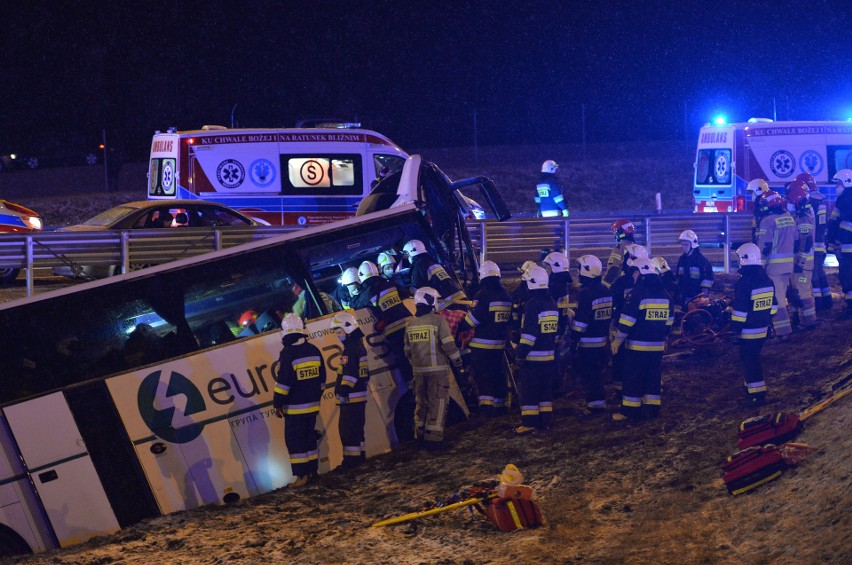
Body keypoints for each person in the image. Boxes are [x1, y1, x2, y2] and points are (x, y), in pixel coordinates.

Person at [610, 258, 673, 421]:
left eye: (634, 272)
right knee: (652, 378)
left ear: (641, 273)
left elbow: (626, 321)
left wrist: (617, 340)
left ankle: (629, 411)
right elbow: (669, 321)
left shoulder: (637, 294)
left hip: (637, 347)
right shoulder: (665, 295)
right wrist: (664, 337)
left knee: (633, 378)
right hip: (657, 346)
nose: (633, 276)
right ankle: (651, 409)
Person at [404, 287, 464, 446]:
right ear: (430, 301)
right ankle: (434, 439)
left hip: (418, 372)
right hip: (437, 372)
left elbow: (407, 351)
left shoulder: (411, 323)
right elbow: (449, 346)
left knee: (421, 404)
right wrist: (458, 362)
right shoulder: (438, 321)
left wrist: (417, 365)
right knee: (438, 403)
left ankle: (420, 436)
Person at [273, 313, 325, 487]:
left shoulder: (288, 354)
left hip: (295, 409)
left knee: (295, 442)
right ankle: (312, 471)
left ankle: (301, 477)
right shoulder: (314, 350)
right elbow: (322, 380)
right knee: (309, 439)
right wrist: (316, 397)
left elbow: (284, 384)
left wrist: (277, 403)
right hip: (312, 407)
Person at [460, 261, 512, 416]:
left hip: (481, 346)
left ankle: (486, 408)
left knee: (483, 376)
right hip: (499, 345)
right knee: (498, 374)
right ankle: (500, 405)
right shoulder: (506, 295)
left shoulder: (482, 294)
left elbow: (474, 320)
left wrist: (462, 323)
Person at [730, 243, 778, 406]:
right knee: (753, 360)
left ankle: (756, 396)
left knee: (750, 362)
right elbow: (774, 306)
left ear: (744, 259)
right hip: (763, 329)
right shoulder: (767, 280)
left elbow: (740, 312)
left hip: (748, 331)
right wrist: (765, 319)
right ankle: (751, 391)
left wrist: (735, 330)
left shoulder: (744, 283)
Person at [514, 266, 559, 434]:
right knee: (545, 392)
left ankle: (530, 423)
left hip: (533, 359)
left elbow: (529, 334)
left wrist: (520, 354)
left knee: (530, 393)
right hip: (548, 357)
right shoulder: (551, 302)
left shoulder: (533, 304)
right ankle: (545, 421)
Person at [570, 255, 611, 413]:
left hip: (588, 343)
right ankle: (598, 402)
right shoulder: (605, 290)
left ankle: (595, 405)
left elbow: (581, 321)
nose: (578, 273)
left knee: (589, 375)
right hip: (602, 341)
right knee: (597, 375)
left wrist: (574, 340)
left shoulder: (586, 293)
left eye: (579, 269)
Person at [329, 311, 370, 469]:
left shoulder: (351, 349)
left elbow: (350, 373)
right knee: (357, 430)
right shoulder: (358, 346)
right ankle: (359, 458)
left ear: (348, 329)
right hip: (359, 397)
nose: (338, 336)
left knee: (348, 431)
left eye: (339, 332)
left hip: (351, 398)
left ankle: (351, 462)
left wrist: (343, 390)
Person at [755, 190, 797, 336]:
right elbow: (796, 241)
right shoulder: (789, 218)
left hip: (774, 268)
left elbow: (764, 246)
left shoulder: (767, 221)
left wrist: (758, 267)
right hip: (788, 266)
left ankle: (783, 331)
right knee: (782, 296)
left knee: (777, 300)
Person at [609, 244, 647, 396]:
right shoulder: (652, 282)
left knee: (619, 358)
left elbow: (613, 303)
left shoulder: (622, 281)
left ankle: (621, 391)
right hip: (643, 330)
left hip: (622, 326)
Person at [784, 178, 818, 329]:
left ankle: (809, 322)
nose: (787, 202)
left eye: (789, 199)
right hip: (796, 261)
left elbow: (806, 242)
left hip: (802, 263)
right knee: (794, 291)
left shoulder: (804, 217)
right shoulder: (799, 214)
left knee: (803, 292)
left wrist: (800, 262)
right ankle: (797, 319)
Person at [403, 239, 469, 308]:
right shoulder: (432, 261)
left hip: (447, 303)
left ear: (411, 252)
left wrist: (406, 291)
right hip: (461, 299)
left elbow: (418, 289)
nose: (407, 257)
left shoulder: (419, 265)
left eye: (406, 254)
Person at [827, 168, 852, 318]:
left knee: (847, 278)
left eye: (838, 184)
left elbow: (835, 224)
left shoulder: (845, 202)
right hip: (847, 247)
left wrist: (832, 241)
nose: (836, 187)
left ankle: (850, 309)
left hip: (847, 248)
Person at [807, 175, 831, 310]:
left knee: (814, 274)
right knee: (820, 271)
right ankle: (827, 299)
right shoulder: (820, 199)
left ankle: (818, 303)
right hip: (821, 242)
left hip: (814, 244)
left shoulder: (811, 202)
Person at [675, 229, 714, 308]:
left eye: (685, 245)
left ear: (693, 245)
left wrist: (703, 296)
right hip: (684, 297)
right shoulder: (682, 259)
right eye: (682, 244)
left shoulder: (702, 261)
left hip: (697, 298)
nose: (683, 247)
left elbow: (707, 280)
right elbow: (679, 278)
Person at [602, 219, 637, 288]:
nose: (615, 234)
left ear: (620, 232)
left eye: (616, 232)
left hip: (622, 286)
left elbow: (613, 269)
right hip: (637, 286)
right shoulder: (638, 248)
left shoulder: (619, 248)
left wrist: (604, 286)